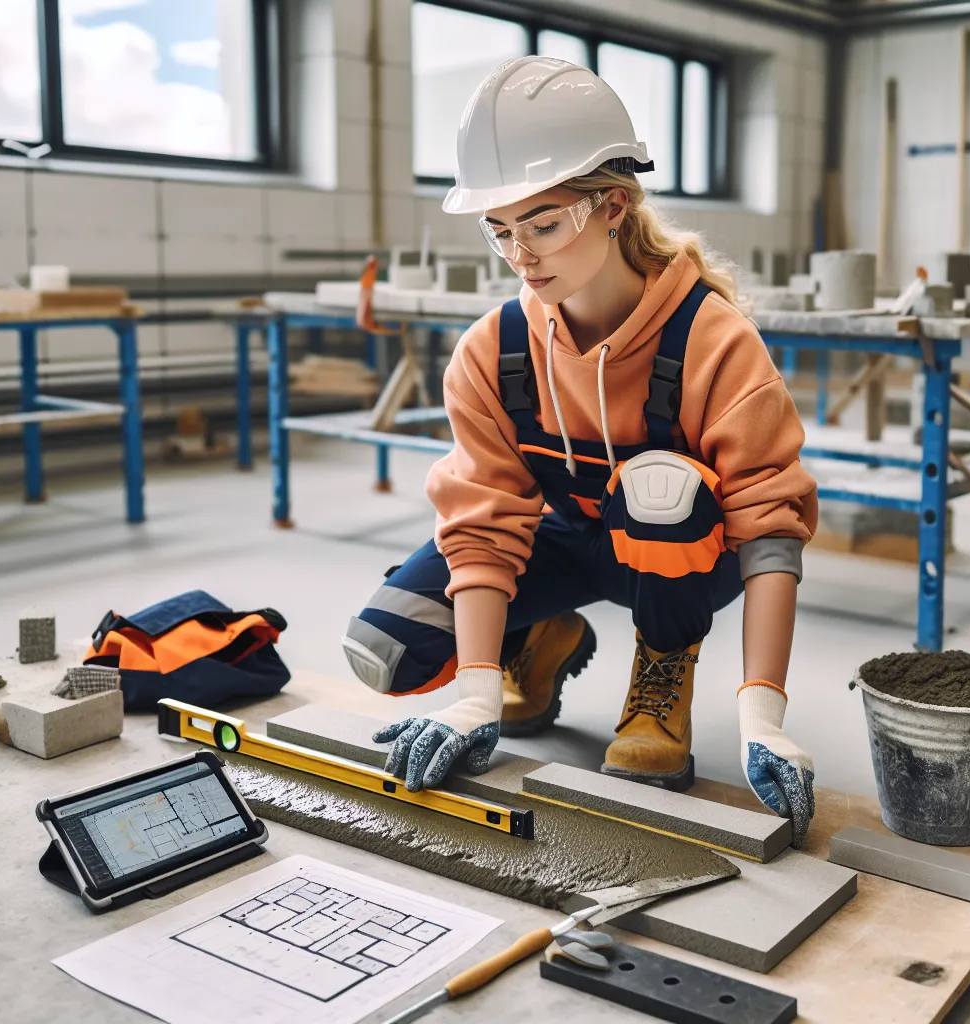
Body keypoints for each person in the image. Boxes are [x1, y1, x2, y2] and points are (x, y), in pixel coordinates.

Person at [340, 56, 820, 846]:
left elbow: (769, 523)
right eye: (500, 232)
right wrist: (475, 692)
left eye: (543, 223)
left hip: (685, 554)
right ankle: (540, 637)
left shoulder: (711, 339)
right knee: (385, 647)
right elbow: (483, 524)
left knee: (661, 488)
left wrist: (763, 714)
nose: (521, 256)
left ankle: (662, 677)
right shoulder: (493, 351)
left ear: (613, 206)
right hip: (563, 542)